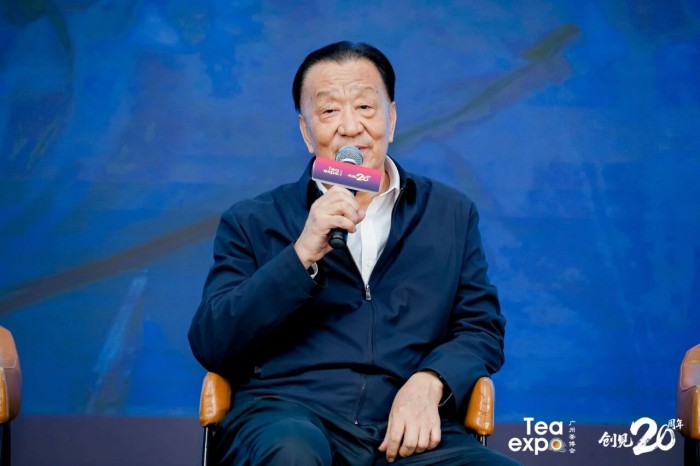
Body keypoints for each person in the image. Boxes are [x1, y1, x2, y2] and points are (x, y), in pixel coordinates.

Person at [188, 41, 519, 466]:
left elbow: (480, 327)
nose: (350, 127)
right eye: (329, 111)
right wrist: (301, 253)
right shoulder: (253, 219)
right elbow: (213, 342)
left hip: (406, 429)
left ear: (391, 119)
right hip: (287, 415)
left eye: (364, 107)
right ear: (306, 131)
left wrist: (430, 382)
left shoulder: (449, 214)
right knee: (292, 453)